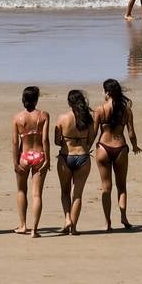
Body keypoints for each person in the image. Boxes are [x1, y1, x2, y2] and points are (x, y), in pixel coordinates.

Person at [94, 78, 141, 231]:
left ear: (107, 92)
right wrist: (134, 146)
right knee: (122, 186)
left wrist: (86, 148)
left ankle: (107, 222)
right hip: (121, 148)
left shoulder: (100, 110)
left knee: (106, 188)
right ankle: (123, 216)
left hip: (103, 148)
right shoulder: (126, 110)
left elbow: (94, 133)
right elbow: (131, 133)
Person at [54, 89, 97, 235]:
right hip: (83, 157)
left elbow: (56, 141)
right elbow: (91, 139)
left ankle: (67, 218)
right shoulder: (88, 118)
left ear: (69, 102)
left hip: (66, 157)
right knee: (77, 195)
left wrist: (67, 141)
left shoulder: (62, 118)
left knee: (65, 192)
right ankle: (74, 227)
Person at [11, 86, 51, 237]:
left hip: (24, 156)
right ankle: (34, 229)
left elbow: (15, 142)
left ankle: (23, 225)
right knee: (37, 194)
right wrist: (47, 158)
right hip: (39, 155)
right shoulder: (43, 116)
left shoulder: (17, 118)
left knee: (21, 190)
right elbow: (45, 139)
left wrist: (15, 162)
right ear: (36, 99)